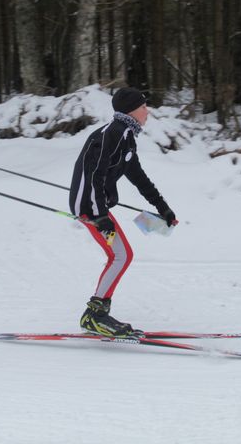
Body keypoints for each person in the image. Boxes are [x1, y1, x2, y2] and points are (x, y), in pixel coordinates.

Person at [68, 87, 177, 337]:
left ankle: (96, 313)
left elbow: (138, 177)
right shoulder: (112, 134)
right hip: (90, 207)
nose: (146, 111)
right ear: (130, 110)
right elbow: (94, 174)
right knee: (121, 256)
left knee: (121, 255)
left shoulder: (125, 136)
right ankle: (95, 315)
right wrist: (99, 215)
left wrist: (163, 208)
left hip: (97, 206)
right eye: (142, 106)